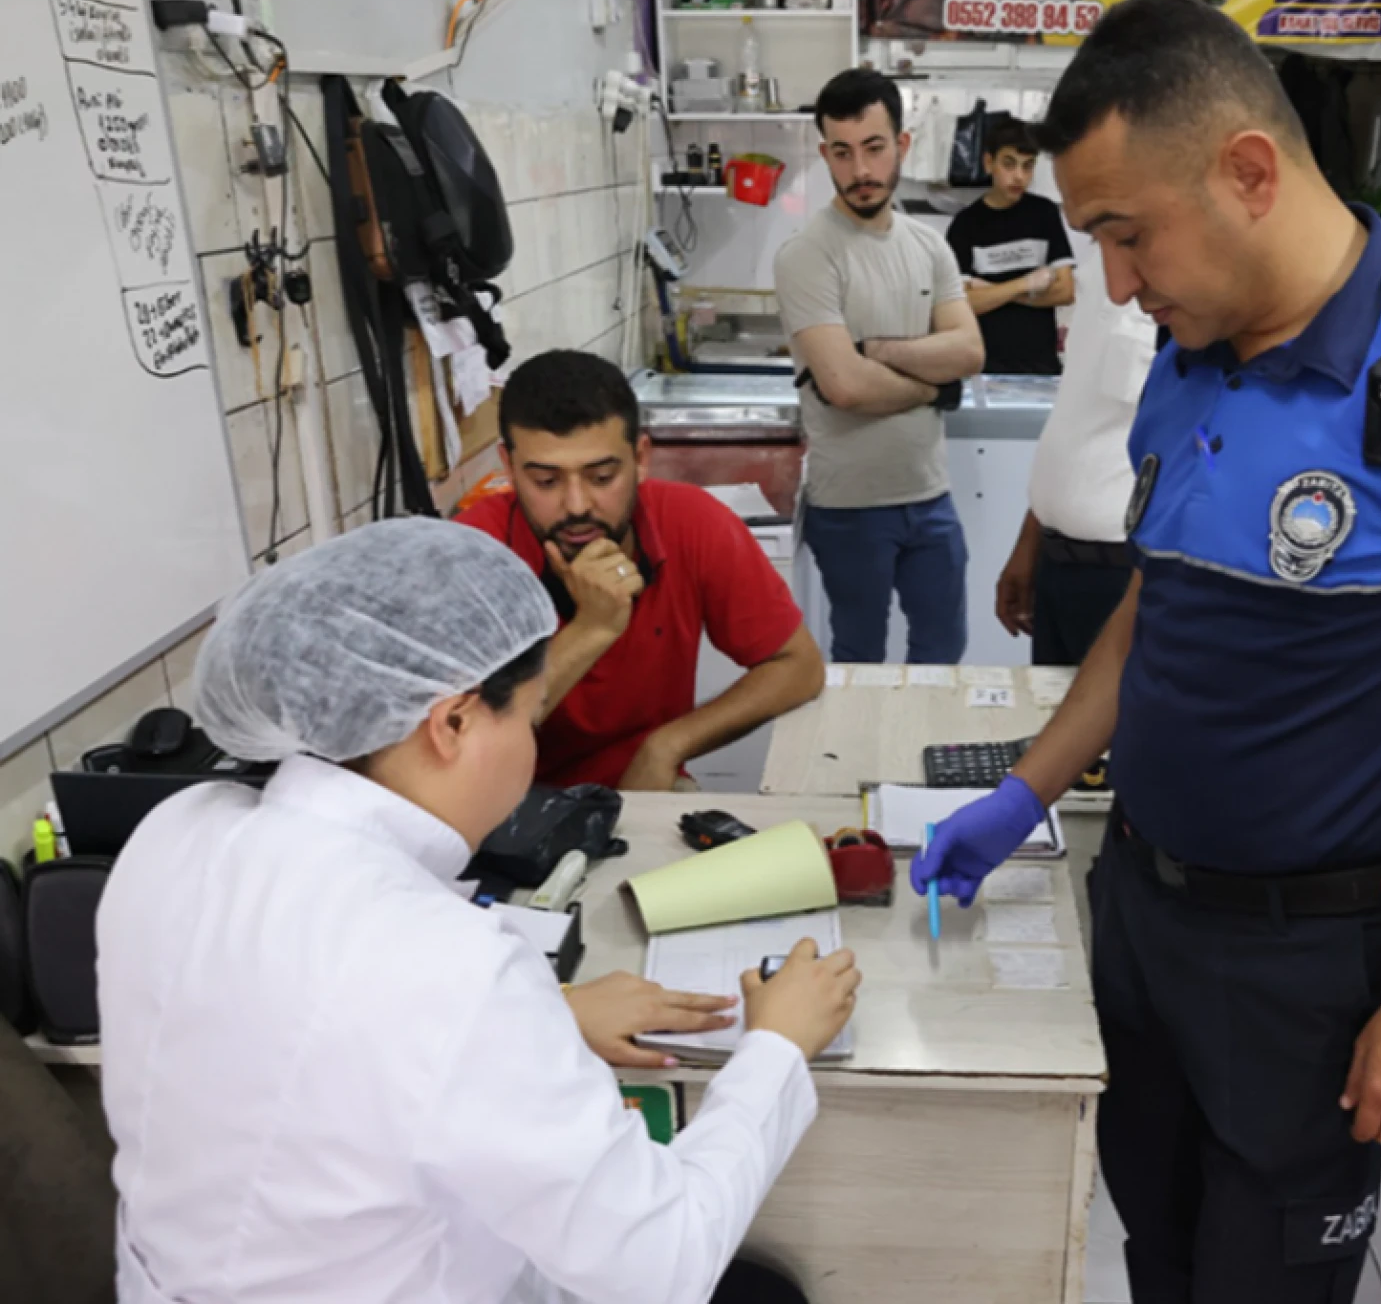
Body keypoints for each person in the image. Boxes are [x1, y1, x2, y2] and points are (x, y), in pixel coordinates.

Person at [908, 0, 1381, 1302]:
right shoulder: (1189, 354)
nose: (1115, 283)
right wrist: (1023, 790)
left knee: (1267, 1276)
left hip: (1315, 960)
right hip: (1141, 913)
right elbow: (1155, 605)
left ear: (1246, 171)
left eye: (1126, 233)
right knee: (1157, 1244)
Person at [97, 518, 861, 1304]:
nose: (533, 746)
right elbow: (665, 1266)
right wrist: (776, 1046)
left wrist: (547, 1017)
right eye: (530, 715)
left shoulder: (175, 833)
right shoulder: (449, 967)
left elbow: (300, 1041)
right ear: (453, 721)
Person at [455, 350, 824, 791]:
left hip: (649, 785)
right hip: (497, 800)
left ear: (641, 457)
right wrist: (593, 626)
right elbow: (463, 741)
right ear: (509, 468)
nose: (577, 506)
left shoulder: (692, 522)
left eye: (602, 477)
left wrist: (667, 746)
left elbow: (799, 666)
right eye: (546, 482)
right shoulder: (472, 554)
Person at [773, 69, 986, 665]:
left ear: (902, 145)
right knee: (859, 658)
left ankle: (924, 736)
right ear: (825, 155)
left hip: (930, 495)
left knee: (944, 649)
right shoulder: (806, 256)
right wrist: (933, 388)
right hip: (848, 506)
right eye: (842, 152)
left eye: (874, 147)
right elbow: (843, 386)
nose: (860, 170)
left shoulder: (930, 246)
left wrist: (877, 351)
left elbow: (969, 352)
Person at [995, 234, 1156, 665]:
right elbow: (1077, 424)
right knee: (1050, 703)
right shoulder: (1096, 264)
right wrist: (1030, 542)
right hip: (1058, 564)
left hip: (1128, 575)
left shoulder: (1183, 279)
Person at [944, 115, 1076, 376]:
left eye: (1028, 166)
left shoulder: (1045, 214)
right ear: (989, 163)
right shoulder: (965, 224)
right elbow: (962, 303)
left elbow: (1065, 291)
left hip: (1041, 367)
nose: (1019, 176)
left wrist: (991, 291)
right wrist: (1027, 284)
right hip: (983, 367)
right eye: (1009, 164)